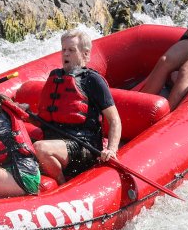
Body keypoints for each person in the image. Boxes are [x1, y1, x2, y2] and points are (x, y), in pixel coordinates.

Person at [31, 29, 121, 184]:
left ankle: (62, 185)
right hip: (54, 142)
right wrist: (24, 112)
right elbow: (45, 118)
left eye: (71, 50)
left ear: (85, 54)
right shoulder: (55, 76)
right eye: (63, 49)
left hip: (82, 147)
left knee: (40, 148)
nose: (65, 54)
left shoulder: (92, 80)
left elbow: (114, 120)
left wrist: (111, 150)